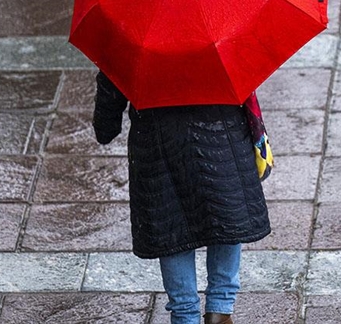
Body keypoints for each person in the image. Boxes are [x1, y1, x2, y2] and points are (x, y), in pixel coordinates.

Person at [93, 71, 271, 324]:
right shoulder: (221, 31)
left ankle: (185, 313)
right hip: (221, 132)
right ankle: (220, 309)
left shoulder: (133, 38)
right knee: (226, 211)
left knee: (172, 225)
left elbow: (107, 119)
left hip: (157, 145)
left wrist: (105, 125)